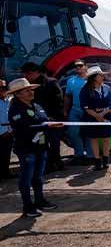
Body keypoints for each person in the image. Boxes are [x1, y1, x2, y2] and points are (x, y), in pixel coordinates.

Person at [7, 78, 64, 218]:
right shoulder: (16, 109)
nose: (31, 92)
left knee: (38, 176)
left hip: (41, 146)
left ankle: (40, 201)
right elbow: (24, 127)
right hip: (26, 148)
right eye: (27, 90)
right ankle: (27, 207)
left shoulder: (36, 105)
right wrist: (47, 126)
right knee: (26, 178)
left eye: (31, 89)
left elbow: (44, 119)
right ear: (18, 94)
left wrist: (51, 123)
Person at [22, 62, 64, 172]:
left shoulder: (51, 82)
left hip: (53, 118)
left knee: (54, 141)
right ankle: (47, 164)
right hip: (37, 119)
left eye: (28, 73)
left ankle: (57, 162)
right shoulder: (27, 86)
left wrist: (54, 117)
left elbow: (58, 101)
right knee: (42, 143)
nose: (26, 76)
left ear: (36, 72)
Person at [80, 66, 111, 171]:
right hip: (91, 118)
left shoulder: (107, 88)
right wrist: (97, 116)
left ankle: (105, 160)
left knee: (107, 139)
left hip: (106, 117)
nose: (103, 77)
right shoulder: (85, 90)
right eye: (100, 75)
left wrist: (103, 114)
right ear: (94, 77)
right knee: (94, 139)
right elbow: (85, 107)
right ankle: (97, 161)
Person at [63, 59, 91, 165]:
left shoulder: (91, 79)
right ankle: (79, 155)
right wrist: (65, 110)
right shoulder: (71, 81)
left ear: (86, 66)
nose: (78, 67)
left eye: (80, 65)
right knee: (73, 132)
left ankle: (90, 156)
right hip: (75, 109)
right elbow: (67, 96)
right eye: (76, 66)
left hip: (89, 110)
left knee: (89, 133)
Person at [0, 80, 14, 179]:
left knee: (7, 153)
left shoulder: (10, 100)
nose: (2, 90)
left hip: (9, 132)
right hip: (1, 132)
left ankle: (5, 173)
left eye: (4, 88)